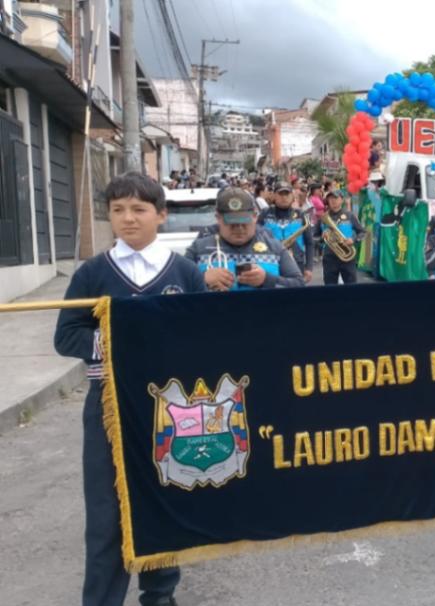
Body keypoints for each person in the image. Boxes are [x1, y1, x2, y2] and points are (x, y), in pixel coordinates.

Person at [54, 172, 205, 606]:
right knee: (107, 513)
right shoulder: (93, 273)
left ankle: (160, 594)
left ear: (160, 215)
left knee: (162, 502)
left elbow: (202, 338)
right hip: (109, 408)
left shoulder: (185, 272)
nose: (128, 219)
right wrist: (117, 339)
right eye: (118, 210)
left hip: (171, 410)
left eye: (139, 209)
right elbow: (66, 336)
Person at [186, 188, 305, 291]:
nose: (239, 228)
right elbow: (175, 287)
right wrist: (203, 279)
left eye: (244, 222)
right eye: (232, 223)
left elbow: (299, 285)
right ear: (218, 218)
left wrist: (266, 280)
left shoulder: (275, 247)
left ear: (254, 217)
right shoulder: (198, 249)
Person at [259, 182, 316, 283]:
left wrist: (309, 267)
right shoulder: (264, 214)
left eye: (287, 194)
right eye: (280, 194)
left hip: (297, 265)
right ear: (274, 196)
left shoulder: (301, 215)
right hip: (270, 263)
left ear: (292, 196)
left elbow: (309, 243)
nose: (284, 197)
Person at [312, 191, 366, 285]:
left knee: (351, 286)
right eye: (330, 198)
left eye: (336, 198)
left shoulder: (350, 215)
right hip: (329, 257)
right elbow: (314, 237)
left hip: (348, 257)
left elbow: (362, 233)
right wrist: (322, 238)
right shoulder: (323, 218)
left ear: (342, 200)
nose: (333, 201)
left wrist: (353, 240)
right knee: (330, 286)